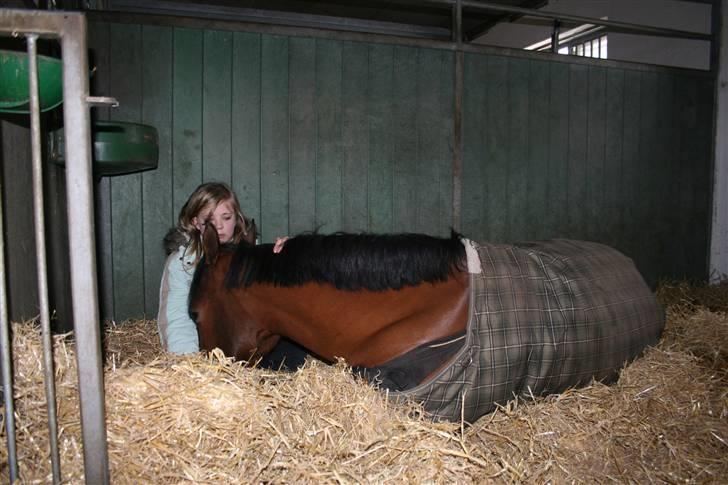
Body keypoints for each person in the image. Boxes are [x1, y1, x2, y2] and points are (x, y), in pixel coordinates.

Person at [157, 181, 307, 370]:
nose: (219, 226)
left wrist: (291, 252)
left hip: (245, 343)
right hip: (204, 342)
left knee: (292, 349)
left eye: (226, 218)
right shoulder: (182, 262)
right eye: (209, 220)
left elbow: (280, 300)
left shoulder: (250, 253)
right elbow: (176, 318)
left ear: (236, 218)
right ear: (195, 223)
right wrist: (191, 366)